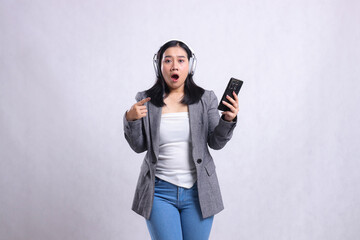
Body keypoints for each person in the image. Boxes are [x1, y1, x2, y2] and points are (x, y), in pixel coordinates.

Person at [123, 40, 239, 240]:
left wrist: (228, 119)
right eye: (168, 60)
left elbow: (216, 142)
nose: (174, 66)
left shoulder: (206, 99)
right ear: (159, 66)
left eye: (181, 60)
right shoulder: (145, 100)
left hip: (199, 192)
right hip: (159, 192)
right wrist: (130, 119)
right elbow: (138, 146)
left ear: (190, 66)